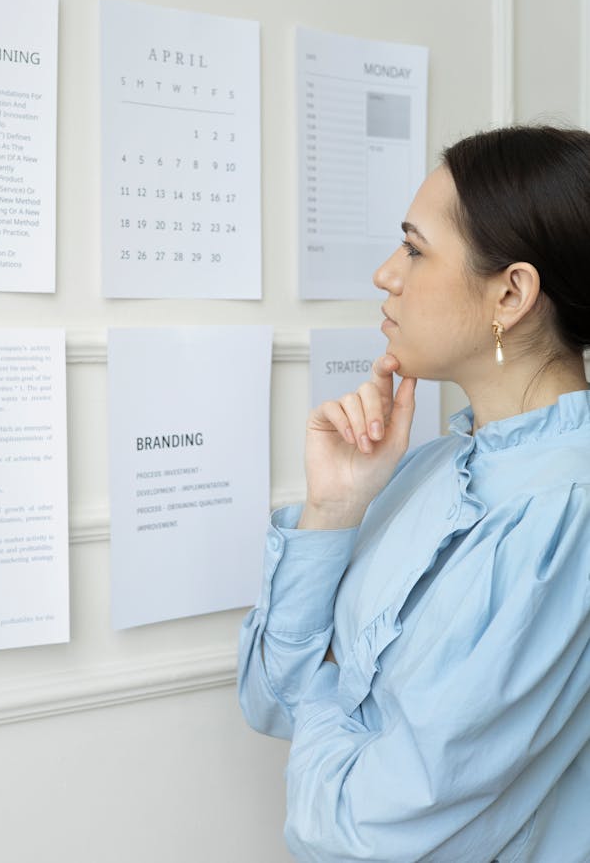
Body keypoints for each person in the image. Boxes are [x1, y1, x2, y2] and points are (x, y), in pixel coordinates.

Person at [238, 126, 590, 863]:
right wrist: (334, 510)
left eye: (415, 249)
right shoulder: (428, 469)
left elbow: (360, 835)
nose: (384, 275)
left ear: (511, 292)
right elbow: (269, 694)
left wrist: (327, 681)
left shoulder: (567, 517)